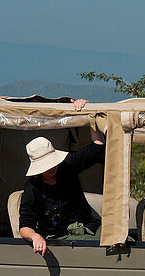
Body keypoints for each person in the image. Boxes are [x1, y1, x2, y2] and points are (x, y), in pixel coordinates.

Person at [18, 99, 105, 255]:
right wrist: (35, 236)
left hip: (88, 230)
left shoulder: (67, 166)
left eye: (52, 162)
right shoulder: (32, 188)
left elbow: (97, 147)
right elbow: (25, 226)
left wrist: (89, 113)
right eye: (46, 166)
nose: (51, 168)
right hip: (57, 239)